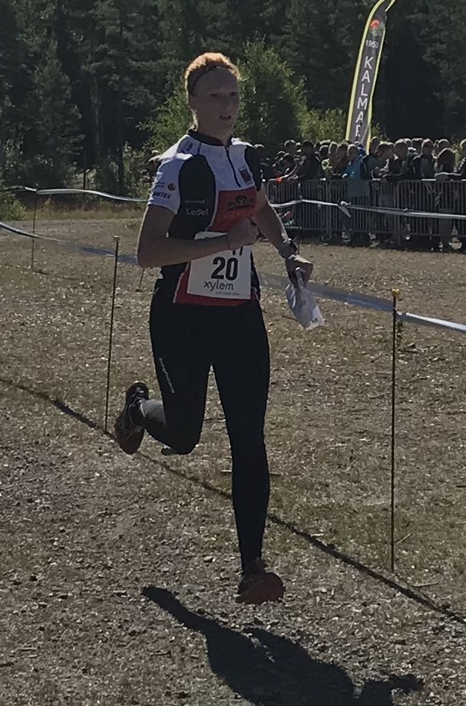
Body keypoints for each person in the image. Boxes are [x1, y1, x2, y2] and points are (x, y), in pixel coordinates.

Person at [111, 52, 314, 605]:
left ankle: (253, 568)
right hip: (182, 316)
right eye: (215, 96)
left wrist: (288, 253)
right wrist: (224, 241)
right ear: (193, 103)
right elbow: (148, 252)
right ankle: (136, 409)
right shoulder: (178, 166)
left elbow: (262, 210)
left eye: (233, 96)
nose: (227, 106)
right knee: (184, 435)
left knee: (249, 437)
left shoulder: (245, 158)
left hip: (239, 315)